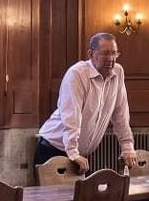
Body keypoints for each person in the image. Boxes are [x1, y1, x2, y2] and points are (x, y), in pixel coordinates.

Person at [36, 32, 137, 172]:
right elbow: (71, 116)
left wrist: (127, 147)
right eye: (106, 54)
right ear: (91, 54)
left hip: (79, 153)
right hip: (53, 148)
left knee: (81, 194)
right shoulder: (77, 73)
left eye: (114, 53)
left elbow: (121, 113)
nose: (111, 59)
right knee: (55, 195)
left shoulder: (118, 72)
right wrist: (73, 152)